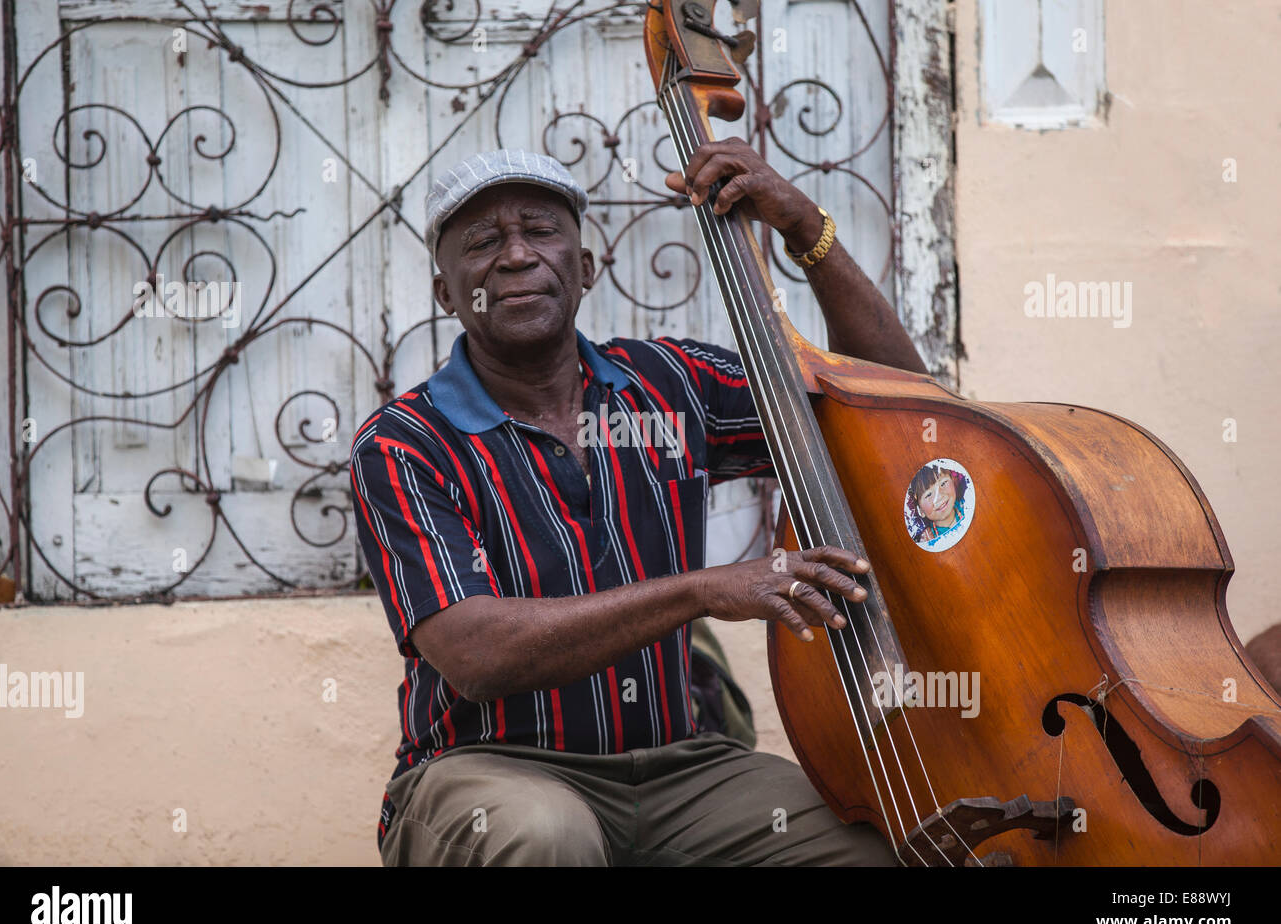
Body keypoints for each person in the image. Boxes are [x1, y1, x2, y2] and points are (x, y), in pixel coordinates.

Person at [349, 143, 928, 866]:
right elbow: (478, 654)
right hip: (485, 771)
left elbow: (895, 410)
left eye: (541, 230)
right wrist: (704, 591)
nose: (517, 256)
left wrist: (805, 229)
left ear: (585, 269)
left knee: (872, 837)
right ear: (447, 293)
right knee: (546, 836)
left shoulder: (668, 384)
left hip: (678, 769)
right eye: (483, 242)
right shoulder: (405, 443)